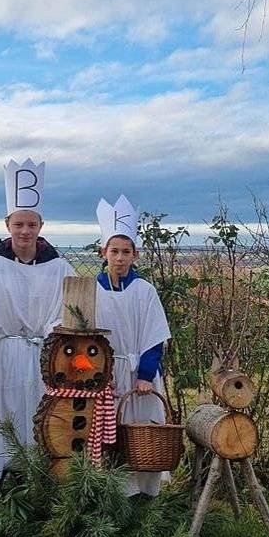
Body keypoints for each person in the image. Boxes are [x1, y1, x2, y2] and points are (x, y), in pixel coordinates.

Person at [0, 158, 74, 479]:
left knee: (39, 420)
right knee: (0, 418)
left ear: (41, 226)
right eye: (18, 224)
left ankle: (37, 482)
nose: (25, 231)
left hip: (43, 357)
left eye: (31, 224)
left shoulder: (60, 269)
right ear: (7, 224)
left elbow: (69, 314)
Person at [95, 195, 171, 496]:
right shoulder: (92, 291)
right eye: (115, 251)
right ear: (104, 252)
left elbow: (155, 337)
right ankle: (115, 494)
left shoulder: (145, 291)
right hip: (108, 379)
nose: (120, 258)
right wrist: (101, 372)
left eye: (126, 251)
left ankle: (145, 494)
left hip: (140, 376)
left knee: (144, 434)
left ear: (135, 255)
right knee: (111, 438)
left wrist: (144, 375)